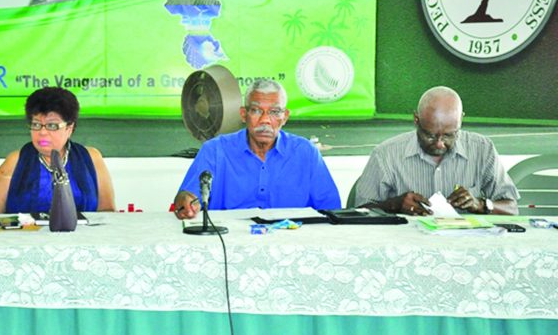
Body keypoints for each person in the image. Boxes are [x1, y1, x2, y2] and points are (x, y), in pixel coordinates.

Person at [173, 79, 340, 218]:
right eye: (256, 110)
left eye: (275, 112)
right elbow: (189, 199)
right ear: (244, 114)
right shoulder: (215, 151)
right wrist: (186, 202)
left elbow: (331, 211)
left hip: (292, 245)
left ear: (285, 117)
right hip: (228, 245)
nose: (265, 120)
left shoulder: (306, 153)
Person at [354, 86, 518, 216]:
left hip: (466, 247)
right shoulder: (386, 155)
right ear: (416, 120)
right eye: (430, 135)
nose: (440, 144)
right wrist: (393, 205)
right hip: (407, 247)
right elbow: (359, 212)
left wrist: (481, 205)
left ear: (461, 120)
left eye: (449, 135)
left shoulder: (482, 149)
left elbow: (511, 208)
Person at [0, 86, 115, 213]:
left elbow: (107, 212)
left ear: (69, 128)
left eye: (52, 125)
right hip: (26, 236)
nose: (42, 132)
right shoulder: (16, 161)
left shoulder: (90, 158)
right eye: (36, 124)